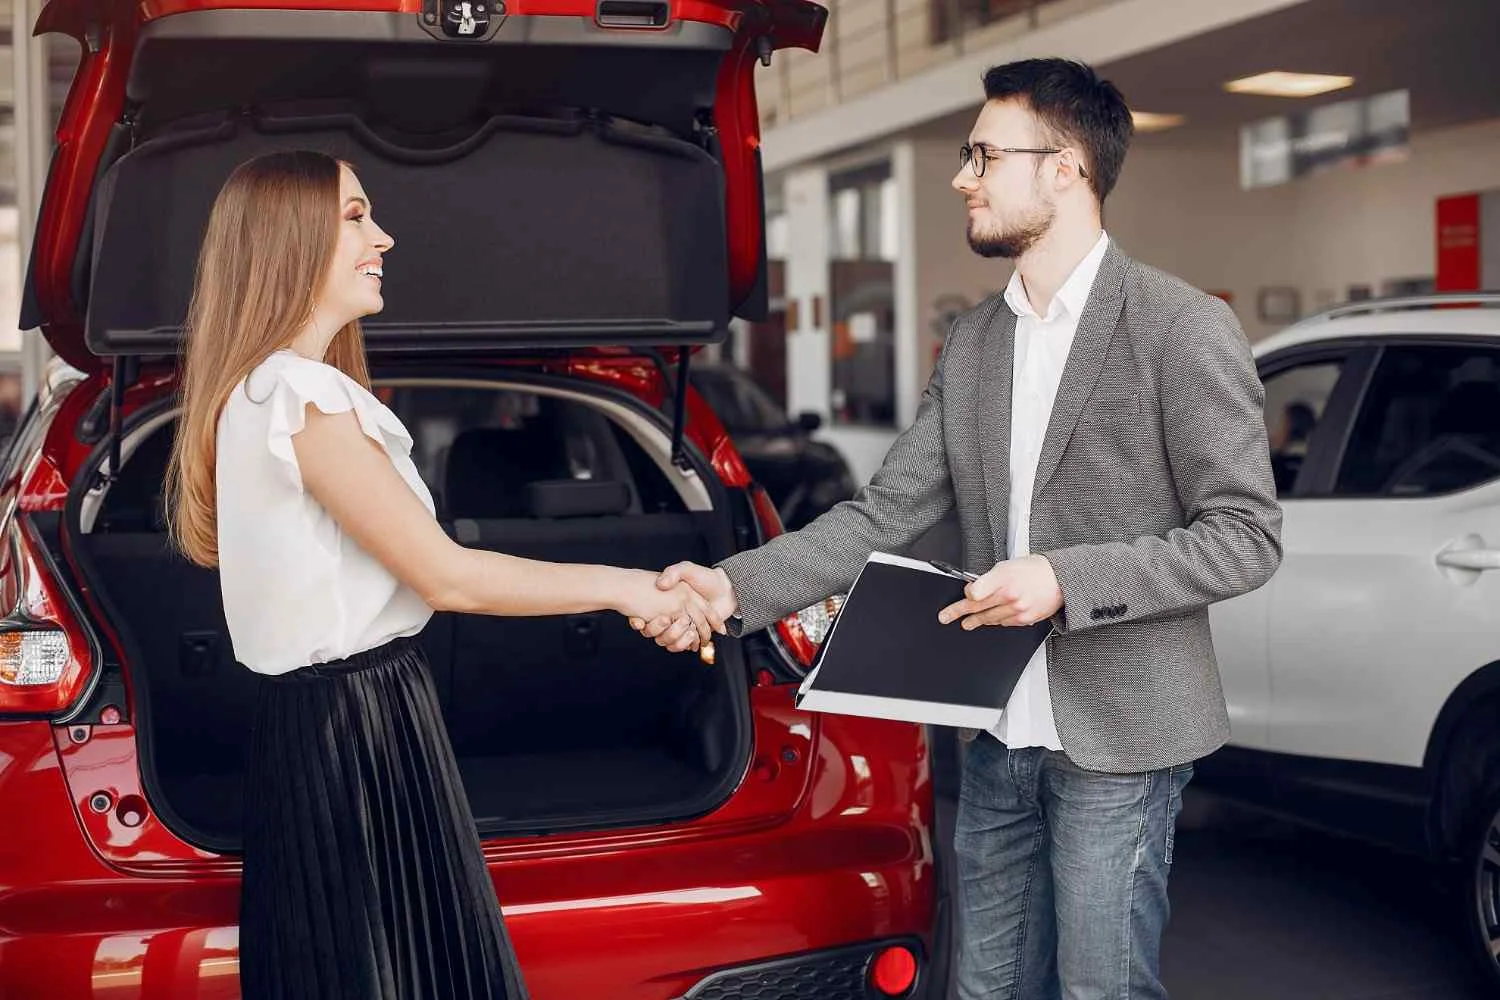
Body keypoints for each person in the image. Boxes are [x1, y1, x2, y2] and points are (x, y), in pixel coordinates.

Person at [637, 58, 1282, 999]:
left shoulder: (1179, 328)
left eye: (984, 154)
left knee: (1100, 990)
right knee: (982, 988)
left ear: (1065, 167)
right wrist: (732, 587)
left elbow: (1246, 535)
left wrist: (1063, 577)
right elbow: (883, 512)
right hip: (996, 731)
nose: (961, 176)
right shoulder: (979, 340)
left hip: (1123, 736)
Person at [163, 150, 723, 1000]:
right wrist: (630, 586)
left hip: (333, 725)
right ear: (288, 239)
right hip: (355, 730)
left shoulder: (264, 392)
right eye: (355, 216)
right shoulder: (300, 397)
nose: (382, 236)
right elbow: (448, 577)